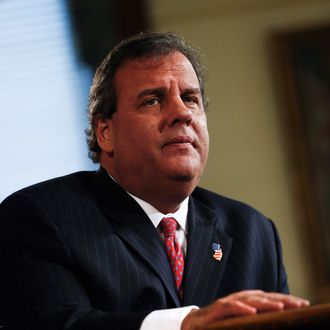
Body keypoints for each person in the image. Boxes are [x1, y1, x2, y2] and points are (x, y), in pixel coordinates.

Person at [0, 32, 309, 330]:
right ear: (105, 132)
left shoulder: (253, 232)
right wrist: (181, 325)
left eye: (190, 98)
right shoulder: (39, 218)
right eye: (152, 101)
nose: (181, 113)